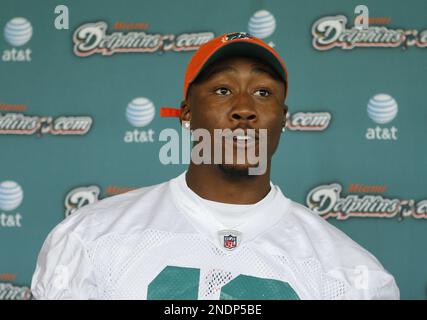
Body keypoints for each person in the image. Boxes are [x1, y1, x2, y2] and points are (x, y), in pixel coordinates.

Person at [31, 32, 399, 300]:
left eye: (263, 92)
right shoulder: (90, 239)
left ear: (282, 119)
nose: (244, 108)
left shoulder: (352, 275)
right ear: (187, 113)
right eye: (222, 90)